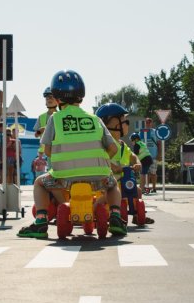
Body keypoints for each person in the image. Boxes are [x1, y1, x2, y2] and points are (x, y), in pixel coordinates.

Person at [18, 69, 124, 238]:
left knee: (39, 183)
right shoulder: (95, 119)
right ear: (81, 96)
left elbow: (47, 149)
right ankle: (116, 217)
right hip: (98, 176)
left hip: (64, 178)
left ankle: (40, 221)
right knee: (112, 185)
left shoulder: (55, 119)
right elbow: (113, 148)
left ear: (57, 97)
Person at [96, 103, 153, 225]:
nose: (127, 123)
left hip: (124, 178)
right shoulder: (104, 143)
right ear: (112, 124)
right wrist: (113, 167)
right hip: (110, 179)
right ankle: (97, 210)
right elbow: (101, 159)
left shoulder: (122, 144)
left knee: (137, 191)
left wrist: (137, 162)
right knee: (109, 193)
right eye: (124, 120)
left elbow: (132, 156)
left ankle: (137, 215)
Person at [33, 87, 58, 159]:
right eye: (47, 98)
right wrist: (39, 131)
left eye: (51, 97)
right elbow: (36, 135)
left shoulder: (61, 116)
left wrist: (45, 129)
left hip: (56, 150)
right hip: (43, 153)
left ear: (57, 100)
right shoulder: (41, 117)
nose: (49, 99)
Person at [143, 117, 161, 193]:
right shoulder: (142, 132)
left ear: (152, 123)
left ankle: (154, 188)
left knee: (153, 173)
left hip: (153, 155)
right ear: (145, 123)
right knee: (145, 173)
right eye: (147, 122)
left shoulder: (155, 132)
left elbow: (159, 143)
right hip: (144, 156)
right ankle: (146, 187)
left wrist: (159, 154)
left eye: (149, 122)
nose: (148, 124)